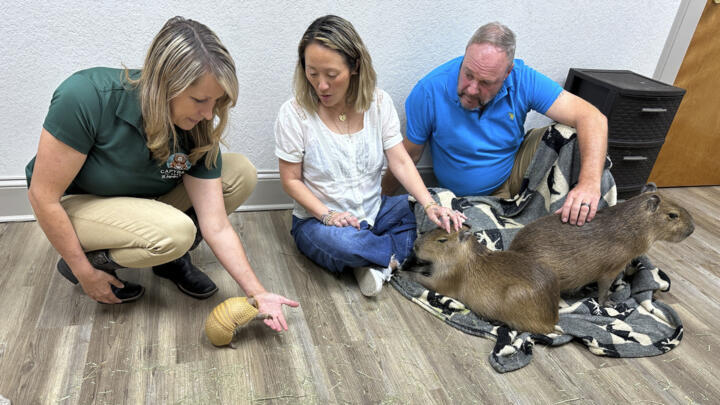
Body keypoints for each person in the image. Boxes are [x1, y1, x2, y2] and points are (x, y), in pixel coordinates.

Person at [26, 16, 298, 332]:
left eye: (217, 101)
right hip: (75, 204)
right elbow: (42, 197)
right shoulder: (85, 96)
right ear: (164, 83)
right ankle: (96, 257)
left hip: (140, 199)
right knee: (176, 232)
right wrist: (83, 270)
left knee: (240, 173)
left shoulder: (197, 126)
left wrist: (258, 293)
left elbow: (217, 225)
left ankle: (167, 259)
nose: (209, 114)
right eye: (199, 100)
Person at [275, 15, 465, 297]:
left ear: (354, 67)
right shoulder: (293, 114)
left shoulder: (379, 102)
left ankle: (374, 261)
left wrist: (429, 205)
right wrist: (328, 216)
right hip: (320, 221)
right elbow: (290, 181)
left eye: (331, 75)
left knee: (442, 203)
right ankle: (392, 256)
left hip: (376, 209)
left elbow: (400, 160)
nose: (321, 85)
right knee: (344, 245)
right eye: (312, 73)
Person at [382, 22, 608, 226]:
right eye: (468, 74)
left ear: (507, 73)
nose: (471, 89)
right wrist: (380, 201)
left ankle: (589, 237)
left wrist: (589, 183)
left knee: (571, 136)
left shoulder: (522, 79)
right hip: (464, 199)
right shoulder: (429, 91)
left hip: (517, 177)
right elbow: (406, 158)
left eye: (485, 82)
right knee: (454, 237)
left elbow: (592, 117)